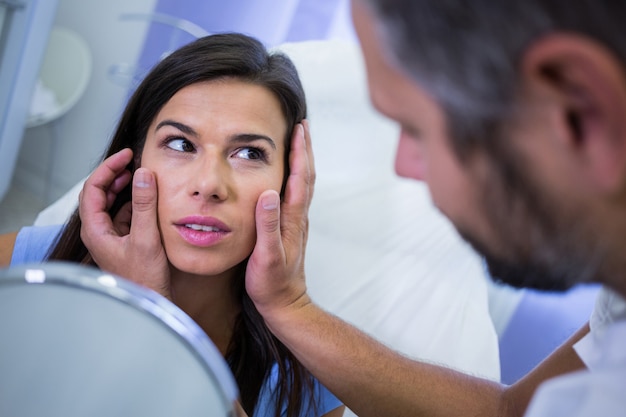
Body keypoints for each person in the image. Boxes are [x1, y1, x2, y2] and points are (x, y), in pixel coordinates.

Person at [61, 1, 626, 417]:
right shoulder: (52, 260)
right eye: (181, 144)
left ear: (580, 110)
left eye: (417, 129)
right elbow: (508, 415)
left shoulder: (300, 389)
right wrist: (289, 305)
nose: (405, 167)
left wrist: (157, 326)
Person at [0, 33, 343, 417]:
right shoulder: (35, 266)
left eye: (249, 153)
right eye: (180, 144)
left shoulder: (311, 382)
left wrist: (153, 315)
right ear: (134, 161)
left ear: (290, 182)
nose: (209, 185)